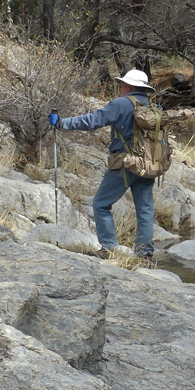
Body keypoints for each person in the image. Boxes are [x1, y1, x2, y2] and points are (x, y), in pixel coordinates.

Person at [49, 69, 158, 261]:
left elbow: (93, 121)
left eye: (122, 84)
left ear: (129, 86)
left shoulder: (121, 103)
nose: (120, 87)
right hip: (148, 163)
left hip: (124, 163)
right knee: (145, 208)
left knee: (101, 204)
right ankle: (144, 255)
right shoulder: (150, 105)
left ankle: (108, 248)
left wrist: (63, 123)